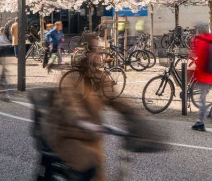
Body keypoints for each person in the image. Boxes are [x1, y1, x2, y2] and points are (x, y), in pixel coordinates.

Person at [43, 33, 145, 180]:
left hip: (92, 139)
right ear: (84, 52)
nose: (98, 54)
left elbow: (116, 99)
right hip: (67, 136)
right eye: (94, 50)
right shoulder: (71, 76)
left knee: (98, 174)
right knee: (88, 164)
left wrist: (135, 116)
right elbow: (70, 103)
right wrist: (83, 121)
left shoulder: (100, 76)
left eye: (100, 50)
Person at [189, 23, 212, 132]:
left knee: (202, 98)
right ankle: (201, 120)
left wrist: (197, 70)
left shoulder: (202, 41)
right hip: (209, 73)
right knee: (202, 97)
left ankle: (200, 122)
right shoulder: (210, 40)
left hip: (204, 74)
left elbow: (202, 58)